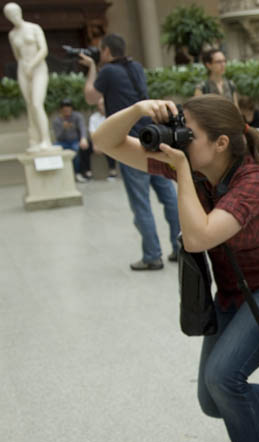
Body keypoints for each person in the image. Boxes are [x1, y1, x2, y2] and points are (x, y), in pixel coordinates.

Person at [92, 94, 259, 442]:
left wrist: (178, 169)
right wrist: (139, 110)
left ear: (221, 143)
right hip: (233, 292)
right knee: (213, 400)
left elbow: (199, 237)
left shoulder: (255, 179)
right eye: (179, 126)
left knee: (223, 379)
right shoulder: (193, 166)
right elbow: (105, 142)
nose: (179, 139)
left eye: (188, 133)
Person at [79, 33, 181, 271]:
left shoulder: (108, 71)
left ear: (105, 51)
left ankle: (152, 255)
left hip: (130, 143)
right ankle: (180, 248)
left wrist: (92, 67)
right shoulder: (136, 66)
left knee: (141, 202)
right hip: (153, 137)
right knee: (169, 198)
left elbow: (90, 96)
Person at [4, 2, 51, 152]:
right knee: (30, 106)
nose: (14, 17)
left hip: (38, 67)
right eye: (10, 15)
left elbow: (44, 50)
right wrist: (25, 66)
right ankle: (34, 140)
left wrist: (32, 64)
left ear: (20, 12)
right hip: (23, 68)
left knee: (37, 104)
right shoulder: (12, 34)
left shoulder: (34, 28)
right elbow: (17, 55)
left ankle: (46, 139)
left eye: (15, 13)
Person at [52, 99, 90, 183]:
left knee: (76, 150)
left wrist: (83, 138)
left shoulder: (77, 116)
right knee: (54, 148)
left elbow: (82, 128)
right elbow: (57, 136)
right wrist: (63, 129)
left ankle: (77, 173)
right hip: (63, 142)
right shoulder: (57, 121)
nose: (67, 111)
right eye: (64, 110)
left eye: (68, 109)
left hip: (75, 141)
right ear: (61, 110)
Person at [88, 97, 119, 180]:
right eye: (99, 105)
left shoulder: (113, 115)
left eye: (102, 104)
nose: (100, 107)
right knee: (85, 147)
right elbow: (92, 132)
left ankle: (112, 170)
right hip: (97, 140)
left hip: (109, 140)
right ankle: (87, 171)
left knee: (110, 145)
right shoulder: (93, 117)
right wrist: (95, 144)